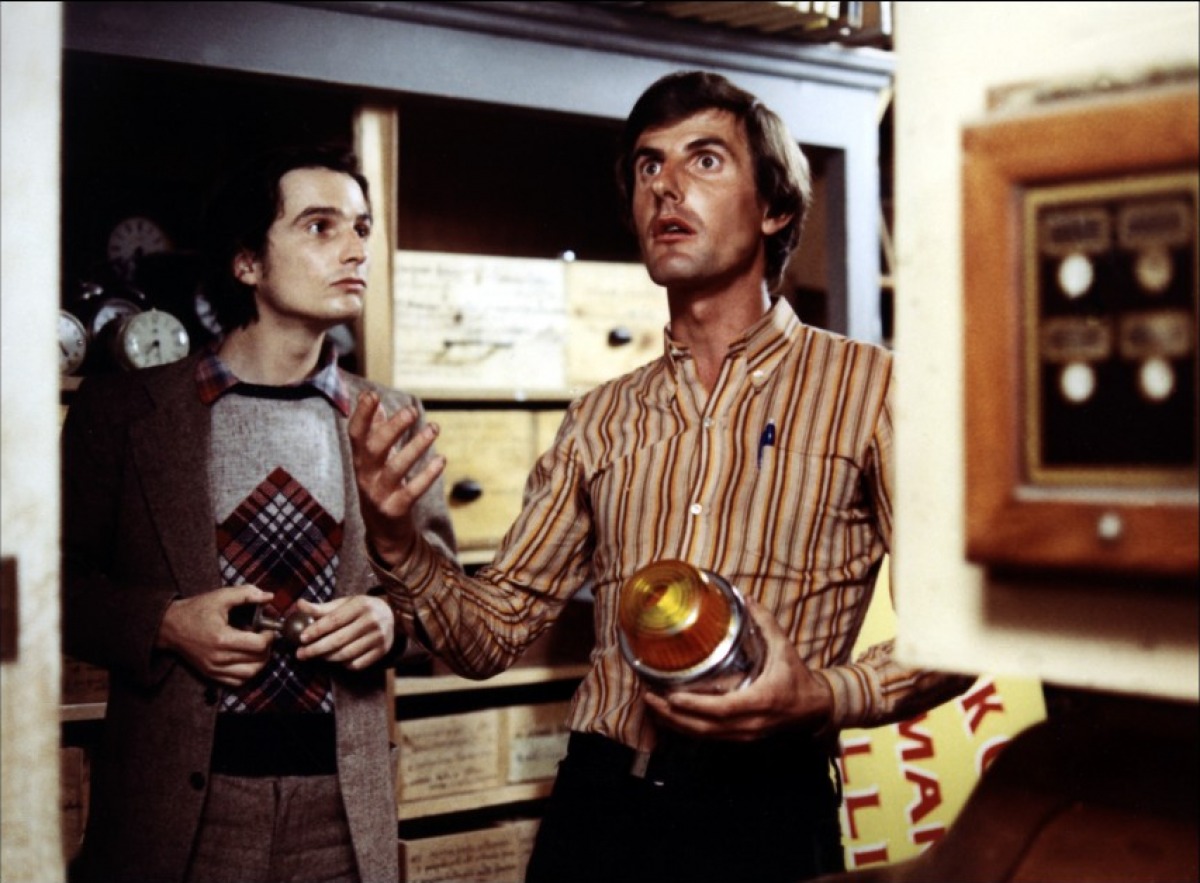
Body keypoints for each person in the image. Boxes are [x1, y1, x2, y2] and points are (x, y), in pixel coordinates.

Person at [349, 71, 973, 883]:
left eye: (704, 160)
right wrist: (400, 542)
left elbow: (955, 632)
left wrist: (823, 694)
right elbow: (490, 633)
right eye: (649, 165)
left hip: (767, 815)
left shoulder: (876, 389)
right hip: (599, 808)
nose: (666, 186)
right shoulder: (600, 418)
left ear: (775, 207)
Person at [61, 144, 456, 883]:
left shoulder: (392, 416)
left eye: (362, 228)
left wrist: (391, 621)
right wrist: (163, 623)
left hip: (342, 816)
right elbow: (49, 590)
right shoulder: (124, 414)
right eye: (319, 226)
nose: (355, 249)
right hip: (176, 816)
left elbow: (445, 599)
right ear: (247, 263)